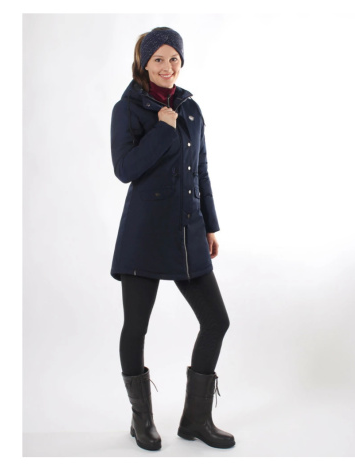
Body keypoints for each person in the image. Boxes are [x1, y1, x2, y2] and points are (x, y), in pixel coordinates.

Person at [110, 26, 235, 451]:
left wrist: (210, 226)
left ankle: (195, 420)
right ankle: (141, 419)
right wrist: (163, 130)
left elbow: (202, 171)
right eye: (159, 59)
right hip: (144, 234)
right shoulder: (127, 109)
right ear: (144, 63)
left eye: (174, 59)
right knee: (136, 328)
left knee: (216, 321)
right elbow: (125, 169)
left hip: (187, 231)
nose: (168, 67)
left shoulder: (191, 108)